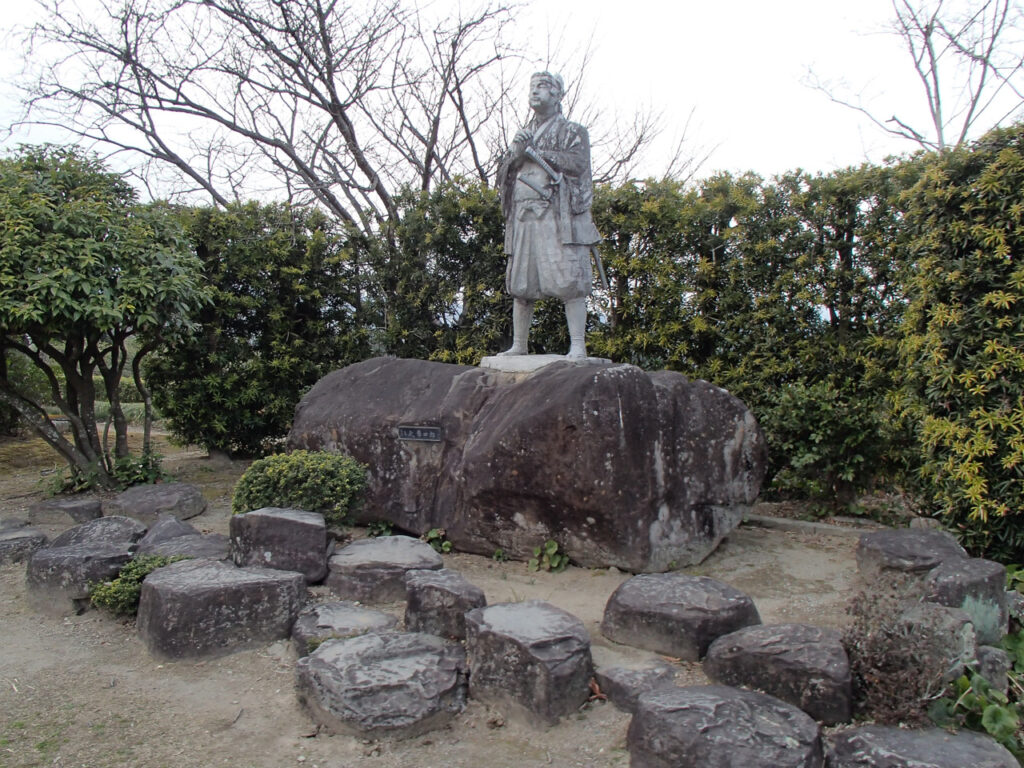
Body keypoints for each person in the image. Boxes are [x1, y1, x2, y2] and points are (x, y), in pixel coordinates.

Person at [496, 71, 602, 359]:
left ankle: (577, 343)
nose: (535, 92)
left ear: (557, 95)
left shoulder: (572, 131)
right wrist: (517, 152)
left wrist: (539, 152)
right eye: (532, 87)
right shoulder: (524, 133)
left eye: (542, 87)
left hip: (555, 212)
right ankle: (520, 343)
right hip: (523, 213)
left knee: (568, 277)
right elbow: (505, 172)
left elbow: (578, 163)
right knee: (522, 281)